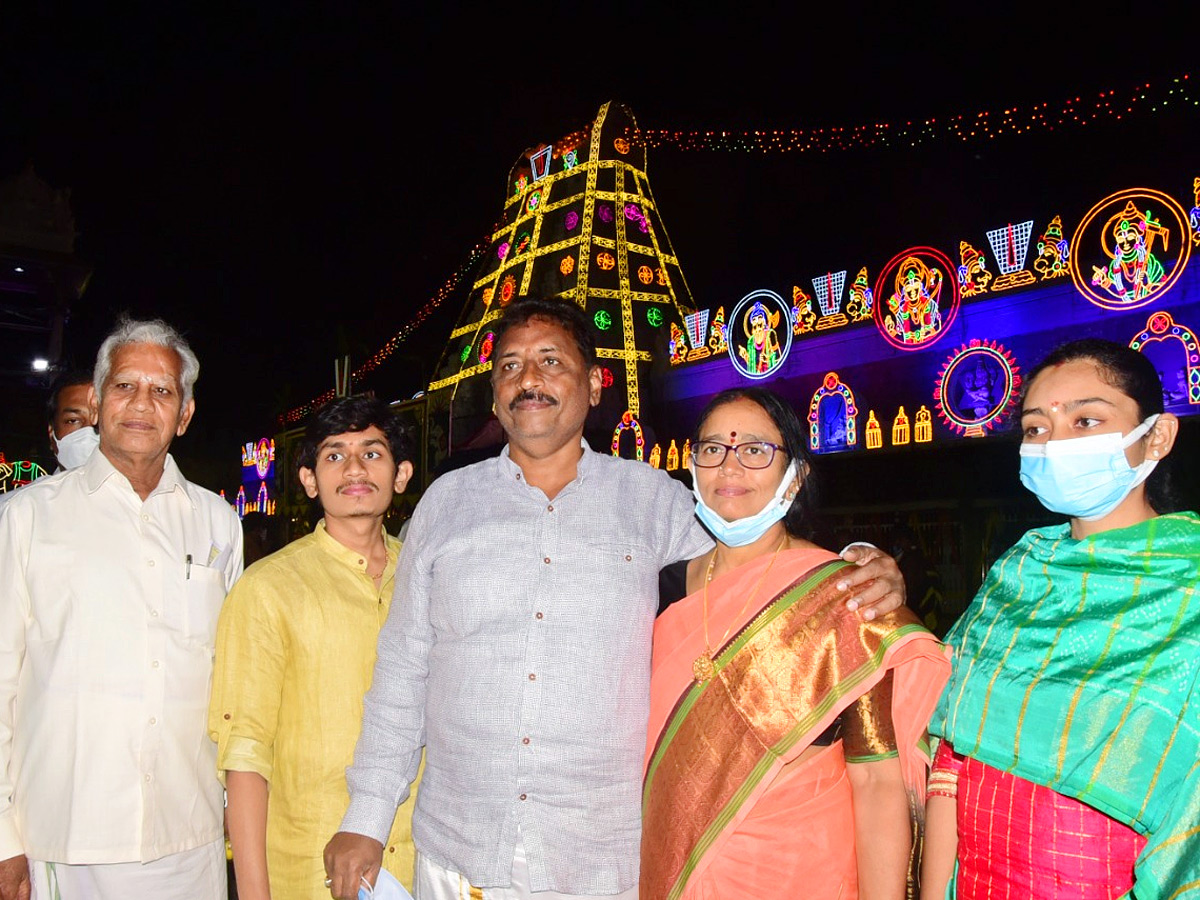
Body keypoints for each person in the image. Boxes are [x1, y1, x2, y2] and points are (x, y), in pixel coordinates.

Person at [324, 298, 908, 900]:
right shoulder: (446, 504)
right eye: (510, 365)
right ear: (495, 393)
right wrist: (365, 818)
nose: (528, 379)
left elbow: (759, 558)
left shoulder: (652, 501)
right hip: (458, 856)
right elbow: (402, 673)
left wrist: (857, 563)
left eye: (551, 361)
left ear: (596, 385)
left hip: (601, 865)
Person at [642, 388, 949, 900]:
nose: (729, 467)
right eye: (712, 449)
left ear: (796, 476)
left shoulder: (845, 593)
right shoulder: (659, 589)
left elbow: (876, 783)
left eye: (755, 450)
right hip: (678, 866)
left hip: (803, 872)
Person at [922, 339, 1200, 898]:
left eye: (1086, 420)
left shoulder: (1188, 585)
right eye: (1035, 429)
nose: (1055, 444)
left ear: (1158, 435)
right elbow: (950, 759)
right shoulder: (1018, 575)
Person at [0, 316, 242, 900]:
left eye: (162, 391)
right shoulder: (28, 516)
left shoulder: (216, 522)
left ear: (184, 414)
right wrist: (4, 840)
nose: (141, 404)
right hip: (65, 837)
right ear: (100, 398)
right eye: (125, 386)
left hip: (191, 833)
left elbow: (233, 679)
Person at [210, 395, 422, 900]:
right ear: (309, 480)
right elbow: (245, 754)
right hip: (308, 870)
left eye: (372, 453)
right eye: (333, 455)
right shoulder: (269, 588)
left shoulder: (424, 576)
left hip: (419, 864)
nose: (354, 468)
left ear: (401, 474)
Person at [0, 370, 97, 513]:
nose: (88, 432)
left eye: (100, 421)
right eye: (72, 421)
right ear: (52, 434)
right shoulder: (13, 512)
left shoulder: (137, 510)